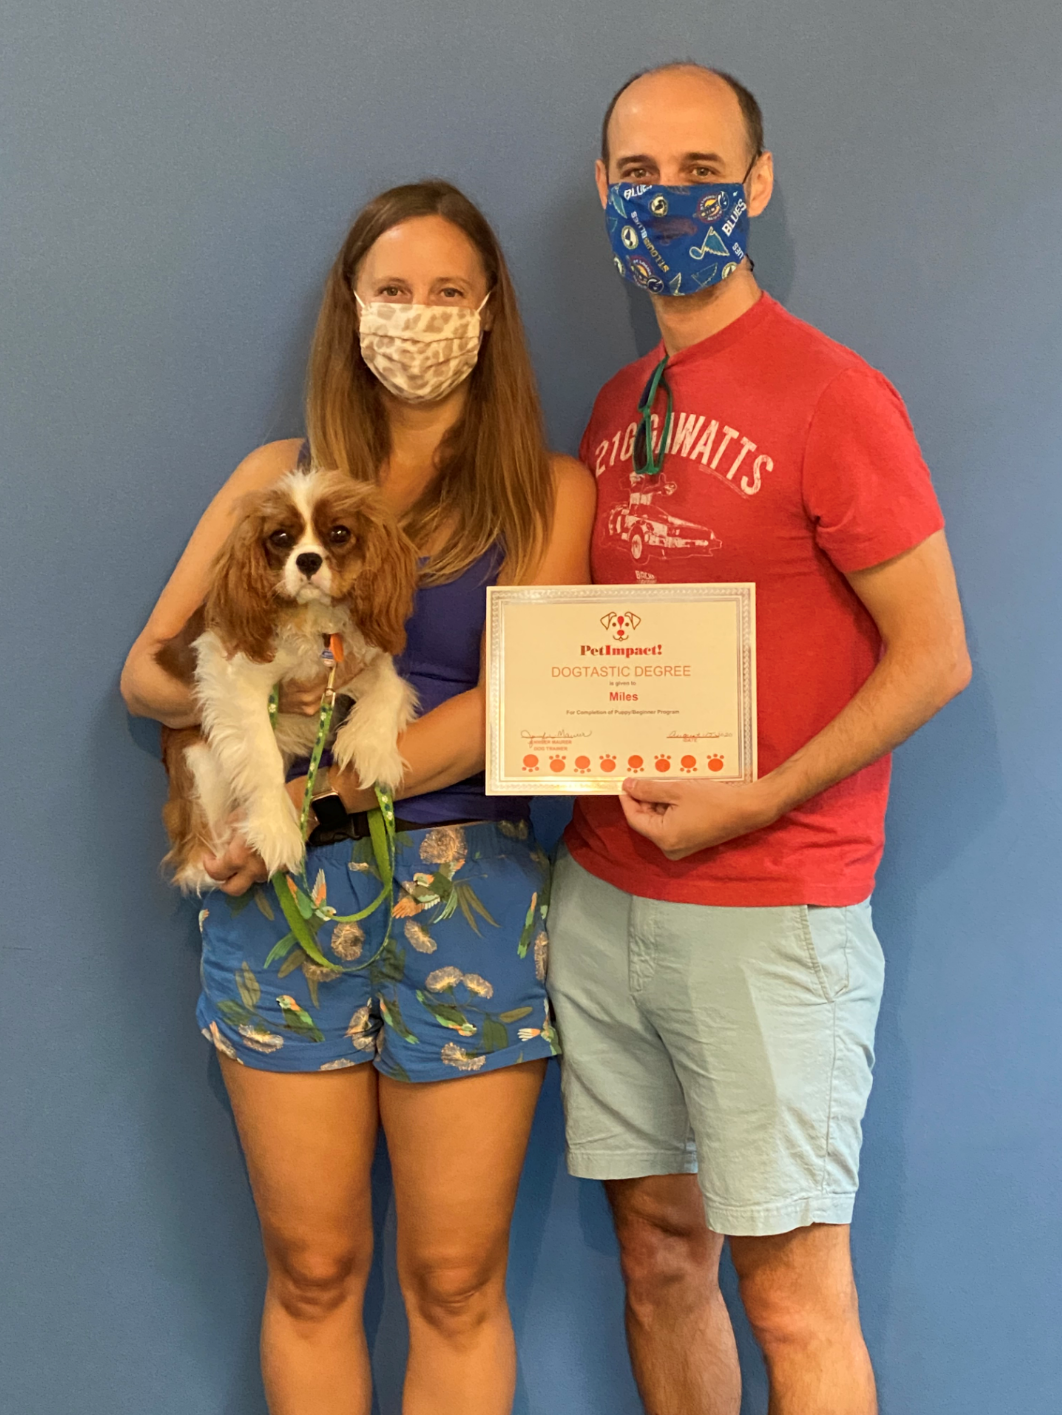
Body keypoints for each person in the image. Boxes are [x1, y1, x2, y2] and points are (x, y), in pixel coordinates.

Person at [122, 179, 595, 1415]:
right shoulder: (274, 476)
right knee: (315, 1265)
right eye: (393, 290)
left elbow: (513, 708)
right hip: (275, 891)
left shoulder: (549, 492)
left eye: (448, 292)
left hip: (472, 896)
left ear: (490, 313)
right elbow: (144, 669)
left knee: (453, 1276)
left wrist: (314, 792)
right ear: (351, 307)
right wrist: (253, 723)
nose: (419, 315)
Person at [546, 64, 971, 1415]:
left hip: (767, 905)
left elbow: (935, 653)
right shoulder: (616, 404)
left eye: (700, 170)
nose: (668, 199)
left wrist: (756, 797)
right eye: (639, 175)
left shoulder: (834, 394)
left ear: (758, 183)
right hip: (605, 891)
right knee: (659, 1257)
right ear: (602, 189)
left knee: (791, 1295)